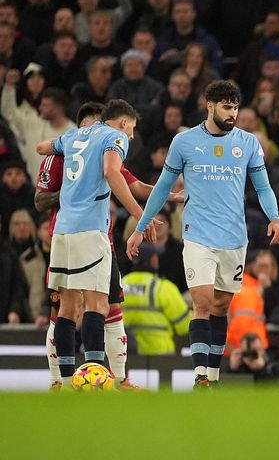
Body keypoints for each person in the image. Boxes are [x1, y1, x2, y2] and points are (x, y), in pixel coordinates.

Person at [127, 80, 279, 389]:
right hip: (197, 235)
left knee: (220, 307)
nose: (233, 113)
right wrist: (140, 226)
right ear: (209, 106)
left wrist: (275, 218)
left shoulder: (248, 143)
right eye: (227, 107)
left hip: (234, 239)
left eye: (236, 107)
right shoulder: (184, 142)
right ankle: (200, 375)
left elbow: (263, 186)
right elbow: (162, 187)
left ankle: (212, 376)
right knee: (201, 302)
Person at [36, 101, 174, 390]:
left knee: (67, 308)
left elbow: (41, 147)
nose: (132, 137)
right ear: (123, 123)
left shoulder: (75, 137)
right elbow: (112, 173)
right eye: (132, 129)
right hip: (90, 230)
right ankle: (95, 378)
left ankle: (63, 381)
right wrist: (141, 216)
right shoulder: (114, 138)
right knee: (98, 305)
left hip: (61, 231)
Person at [121, 242, 191, 355]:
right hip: (160, 355)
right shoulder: (162, 287)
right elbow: (185, 326)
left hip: (128, 356)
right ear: (152, 260)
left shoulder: (122, 284)